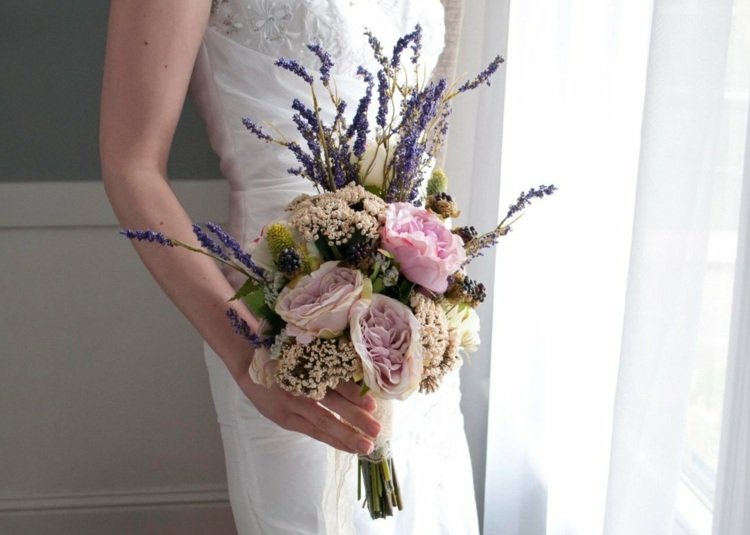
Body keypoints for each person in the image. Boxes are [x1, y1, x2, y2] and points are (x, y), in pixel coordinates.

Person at [100, 1, 479, 533]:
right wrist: (251, 358)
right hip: (279, 325)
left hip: (415, 315)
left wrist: (432, 285)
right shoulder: (265, 347)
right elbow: (131, 165)